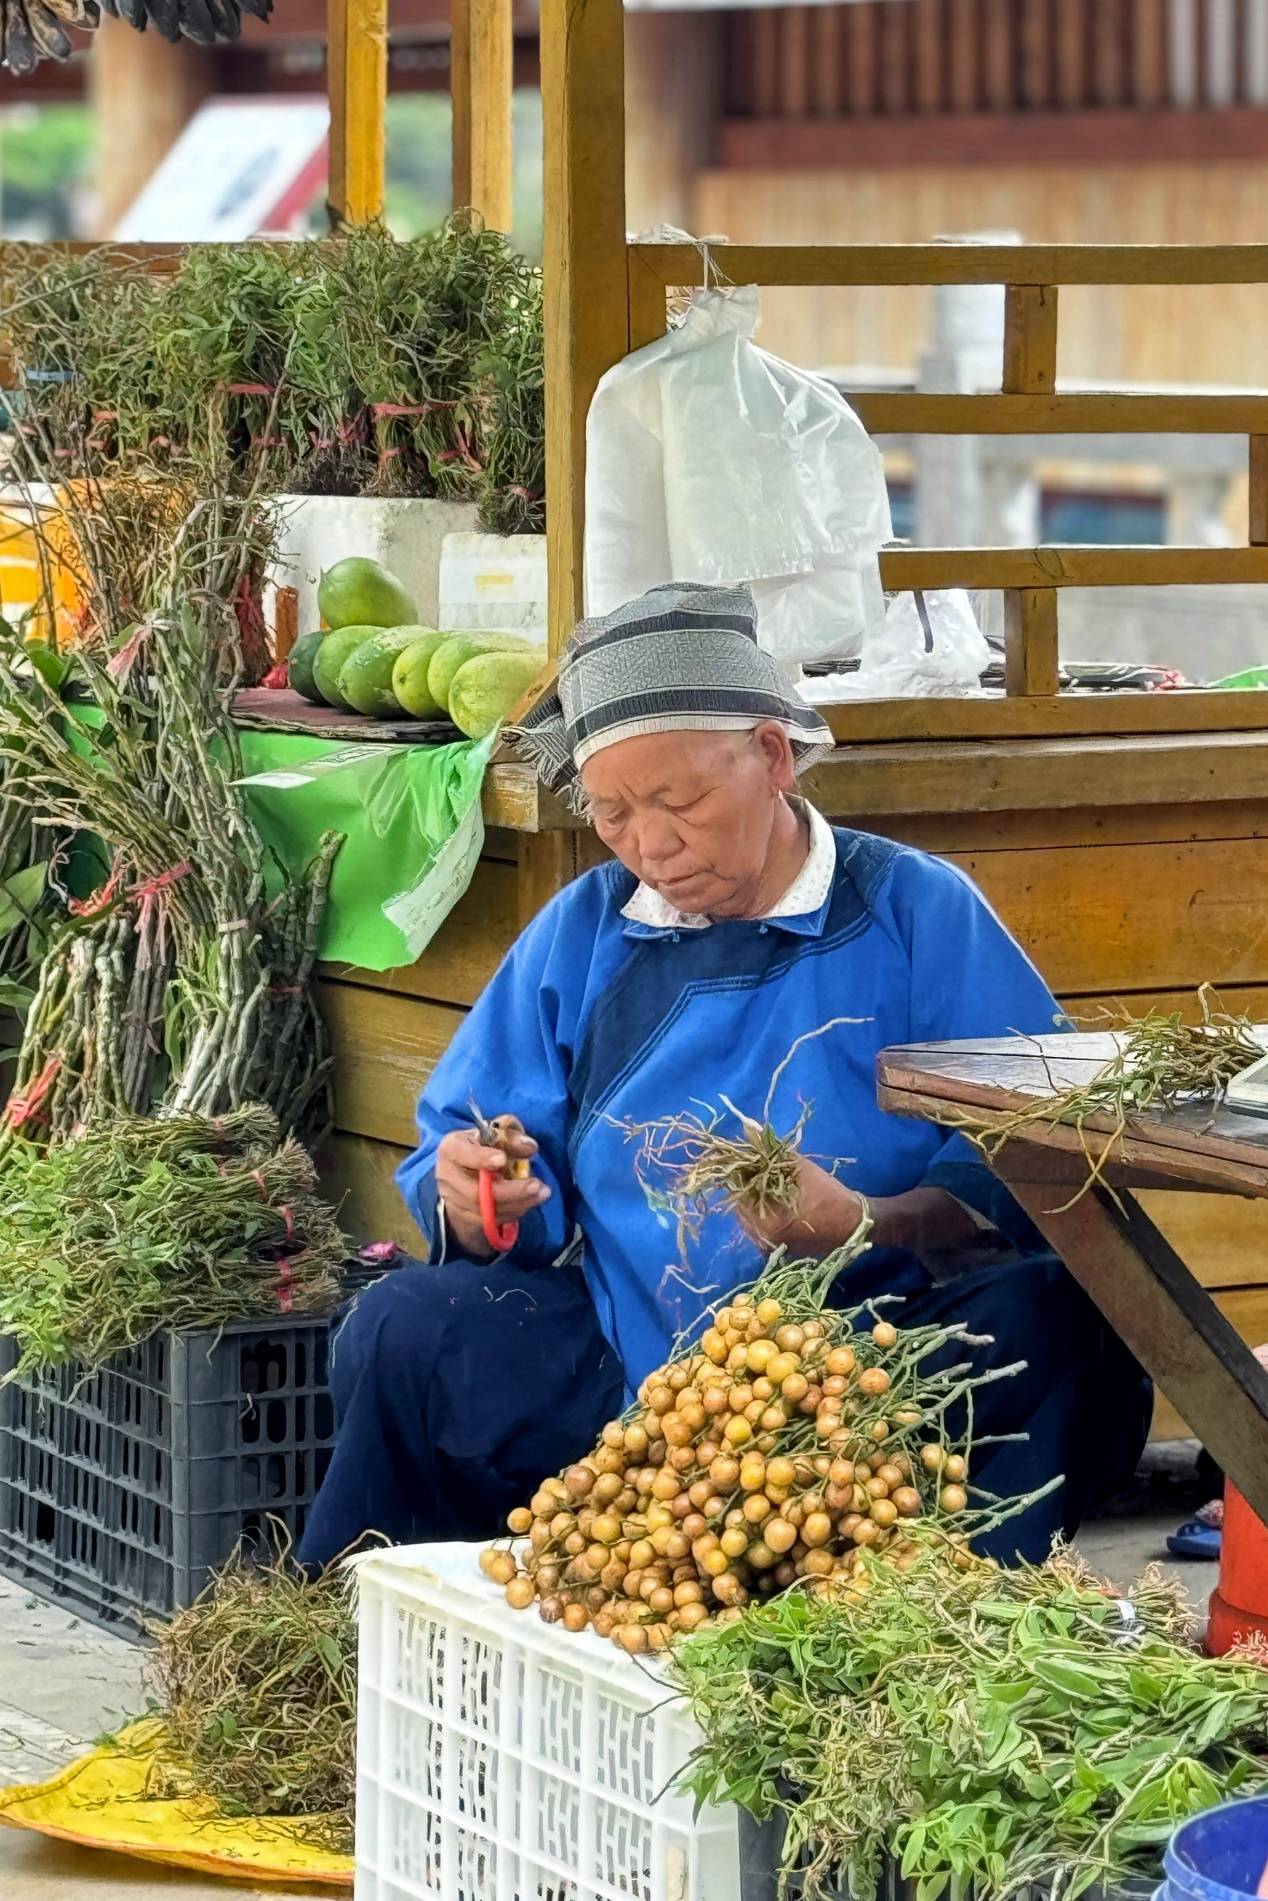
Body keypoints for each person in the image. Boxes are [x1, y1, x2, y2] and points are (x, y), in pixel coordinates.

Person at [299, 582, 1150, 1569]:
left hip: (871, 1382)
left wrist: (871, 1221)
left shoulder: (914, 910)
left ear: (772, 755)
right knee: (407, 1326)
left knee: (1050, 1314)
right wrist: (485, 1194)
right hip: (636, 1376)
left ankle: (927, 1628)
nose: (649, 843)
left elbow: (1040, 1151)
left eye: (679, 801)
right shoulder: (583, 934)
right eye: (612, 813)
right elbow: (488, 1170)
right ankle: (379, 1626)